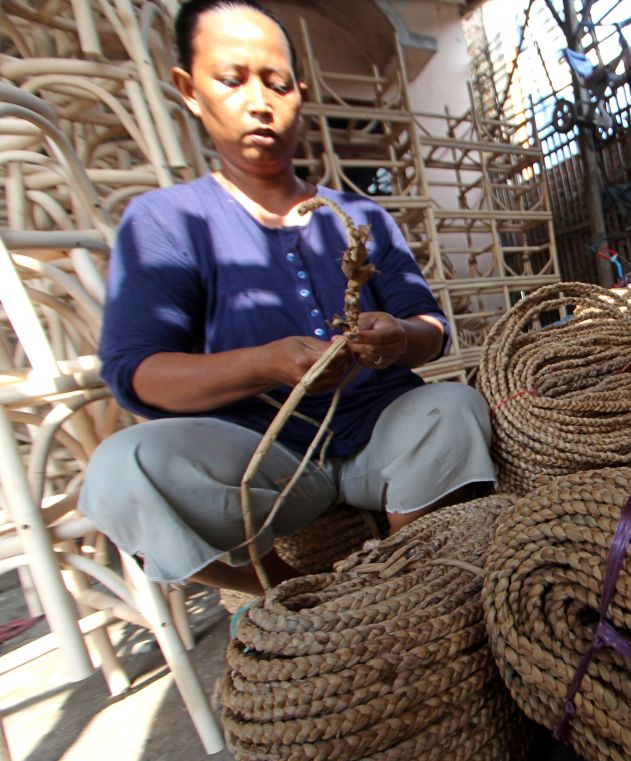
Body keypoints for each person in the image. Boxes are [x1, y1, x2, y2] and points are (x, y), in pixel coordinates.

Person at [79, 0, 495, 594]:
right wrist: (266, 364)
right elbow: (138, 373)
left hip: (382, 431)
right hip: (261, 460)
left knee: (453, 410)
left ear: (299, 93)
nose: (259, 103)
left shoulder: (360, 216)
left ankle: (409, 580)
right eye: (231, 80)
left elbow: (430, 327)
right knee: (124, 471)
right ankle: (283, 593)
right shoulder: (165, 221)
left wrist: (401, 338)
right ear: (189, 90)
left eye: (278, 85)